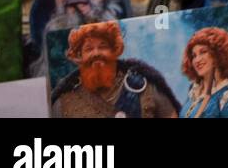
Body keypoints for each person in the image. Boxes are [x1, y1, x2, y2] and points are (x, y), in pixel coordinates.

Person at [49, 22, 180, 119]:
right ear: (79, 57)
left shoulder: (144, 88)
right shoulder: (63, 103)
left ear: (115, 51)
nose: (96, 53)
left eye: (103, 46)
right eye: (89, 49)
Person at [180, 26, 228, 118]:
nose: (197, 60)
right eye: (194, 55)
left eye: (203, 52)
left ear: (218, 55)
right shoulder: (194, 90)